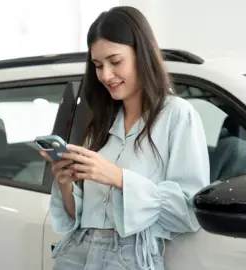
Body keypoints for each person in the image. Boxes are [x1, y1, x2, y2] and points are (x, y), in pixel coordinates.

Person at [40, 6, 210, 270]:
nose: (106, 75)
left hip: (129, 255)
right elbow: (81, 217)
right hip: (77, 252)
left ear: (141, 54)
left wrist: (117, 177)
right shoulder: (101, 122)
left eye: (115, 62)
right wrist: (64, 183)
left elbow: (189, 213)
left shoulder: (177, 116)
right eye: (98, 65)